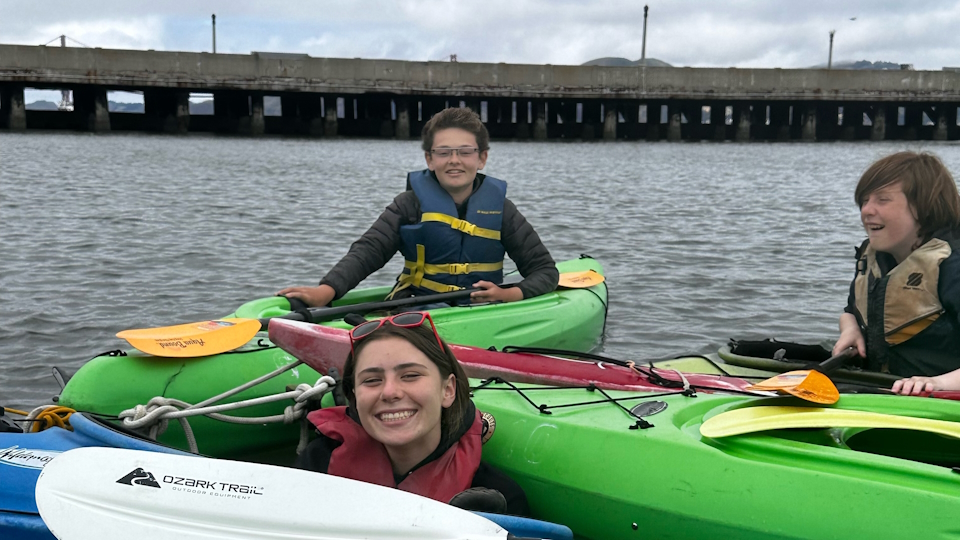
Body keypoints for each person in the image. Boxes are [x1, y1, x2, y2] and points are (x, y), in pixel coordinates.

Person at [278, 107, 558, 307]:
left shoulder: (503, 210)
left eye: (465, 152)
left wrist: (510, 295)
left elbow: (545, 271)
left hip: (483, 309)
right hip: (419, 306)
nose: (454, 160)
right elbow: (368, 251)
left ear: (481, 158)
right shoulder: (408, 205)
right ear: (429, 159)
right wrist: (327, 290)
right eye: (444, 152)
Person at [295, 312, 529, 516]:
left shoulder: (498, 498)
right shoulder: (317, 465)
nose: (389, 392)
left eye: (410, 375)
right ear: (355, 397)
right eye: (372, 380)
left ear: (447, 390)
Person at [831, 151, 960, 396]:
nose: (866, 210)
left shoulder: (952, 265)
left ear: (922, 207)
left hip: (943, 401)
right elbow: (851, 312)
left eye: (882, 200)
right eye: (865, 200)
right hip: (887, 389)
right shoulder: (876, 259)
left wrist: (938, 383)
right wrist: (850, 330)